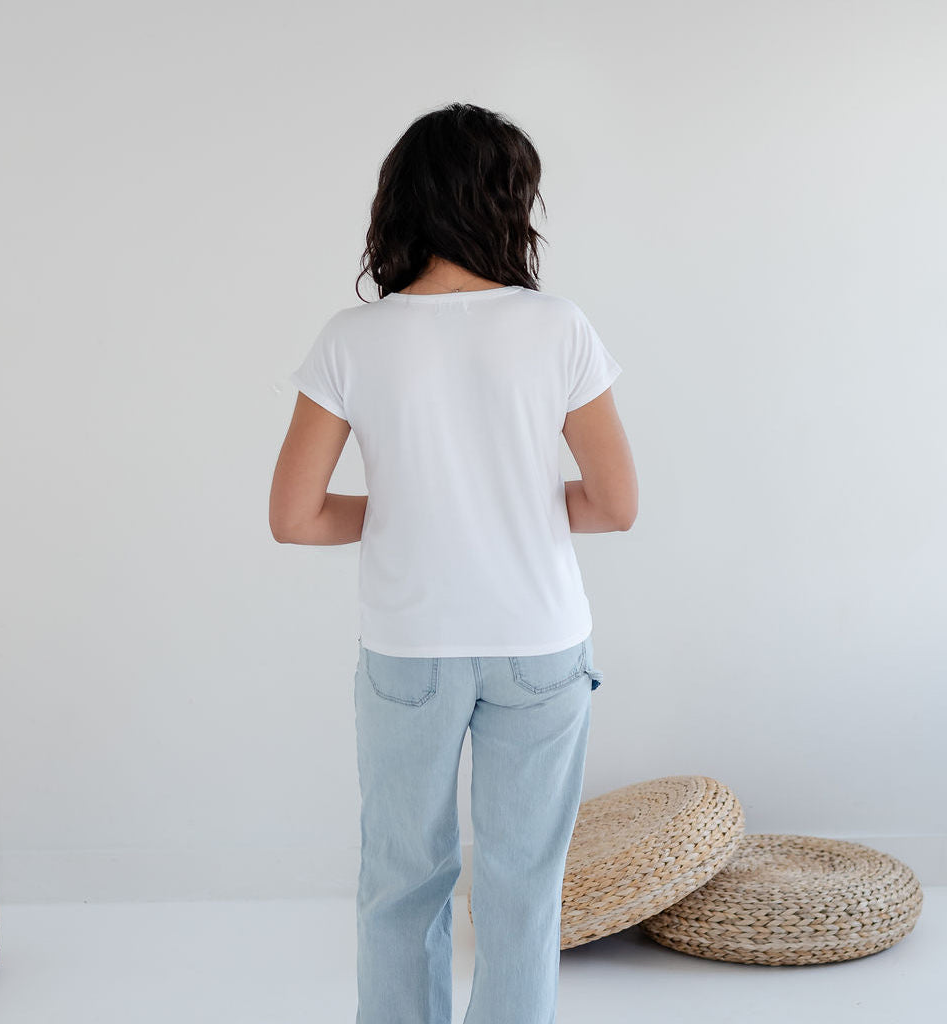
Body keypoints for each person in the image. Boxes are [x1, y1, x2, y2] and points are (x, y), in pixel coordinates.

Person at [270, 101, 638, 1024]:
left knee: (401, 883)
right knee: (520, 893)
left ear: (401, 204)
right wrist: (507, 505)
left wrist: (414, 507)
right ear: (510, 202)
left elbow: (296, 517)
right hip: (539, 644)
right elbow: (616, 503)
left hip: (410, 650)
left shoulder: (352, 339)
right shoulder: (559, 328)